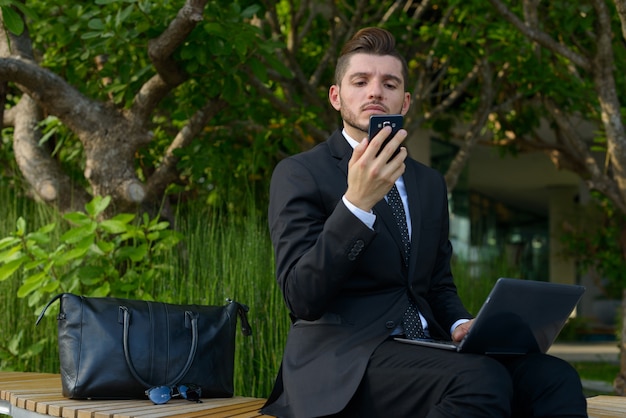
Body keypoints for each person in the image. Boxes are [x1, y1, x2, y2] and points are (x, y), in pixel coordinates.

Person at [261, 27, 587, 418]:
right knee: (479, 380)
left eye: (389, 83)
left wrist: (460, 324)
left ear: (406, 100)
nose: (375, 92)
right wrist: (356, 205)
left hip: (427, 349)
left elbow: (436, 284)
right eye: (360, 81)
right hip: (342, 361)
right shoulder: (300, 173)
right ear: (336, 96)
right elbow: (301, 297)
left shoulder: (428, 182)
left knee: (553, 377)